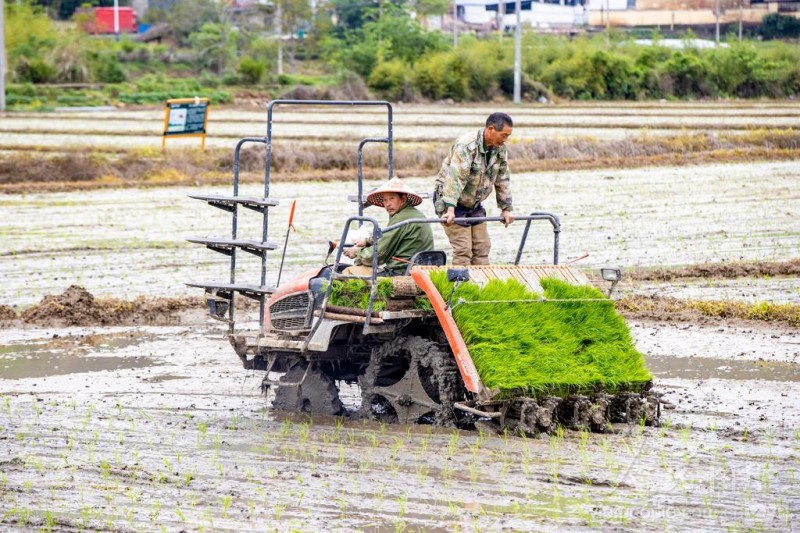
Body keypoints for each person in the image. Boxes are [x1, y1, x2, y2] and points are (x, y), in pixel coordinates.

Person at [433, 112, 515, 265]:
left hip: (473, 202)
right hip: (451, 200)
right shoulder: (466, 146)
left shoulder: (499, 149)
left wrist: (506, 208)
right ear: (490, 129)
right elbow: (456, 178)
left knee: (482, 248)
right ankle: (460, 281)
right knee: (463, 250)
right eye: (503, 135)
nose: (505, 139)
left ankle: (481, 280)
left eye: (508, 136)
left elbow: (502, 178)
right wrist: (450, 209)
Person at [343, 177, 434, 276]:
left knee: (347, 273)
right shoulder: (415, 214)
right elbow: (388, 237)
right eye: (385, 200)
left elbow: (377, 255)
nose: (387, 204)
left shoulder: (400, 219)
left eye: (391, 199)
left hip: (401, 272)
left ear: (403, 199)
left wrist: (357, 252)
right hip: (421, 268)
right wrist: (367, 241)